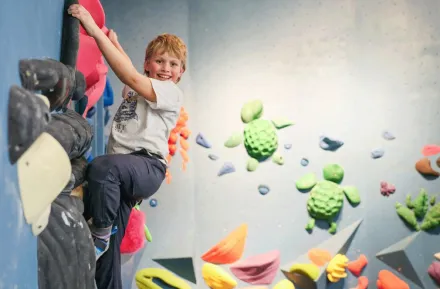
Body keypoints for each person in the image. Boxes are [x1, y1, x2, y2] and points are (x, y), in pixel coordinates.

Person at [68, 4, 187, 289]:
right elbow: (132, 73)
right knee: (107, 263)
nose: (166, 69)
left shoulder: (170, 93)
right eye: (160, 61)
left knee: (100, 166)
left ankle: (99, 235)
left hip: (146, 167)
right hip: (120, 177)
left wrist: (94, 30)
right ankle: (104, 248)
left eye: (173, 64)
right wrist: (115, 44)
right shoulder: (140, 86)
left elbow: (130, 75)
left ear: (180, 73)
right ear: (148, 63)